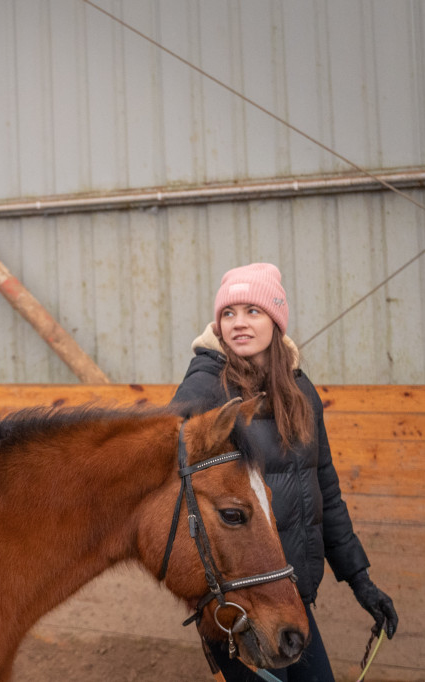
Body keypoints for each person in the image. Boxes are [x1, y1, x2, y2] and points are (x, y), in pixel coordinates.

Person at [170, 263, 397, 681]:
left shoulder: (299, 391)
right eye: (228, 313)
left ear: (275, 320)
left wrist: (360, 580)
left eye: (253, 311)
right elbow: (172, 491)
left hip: (289, 597)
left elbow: (324, 489)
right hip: (238, 607)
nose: (239, 323)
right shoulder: (204, 389)